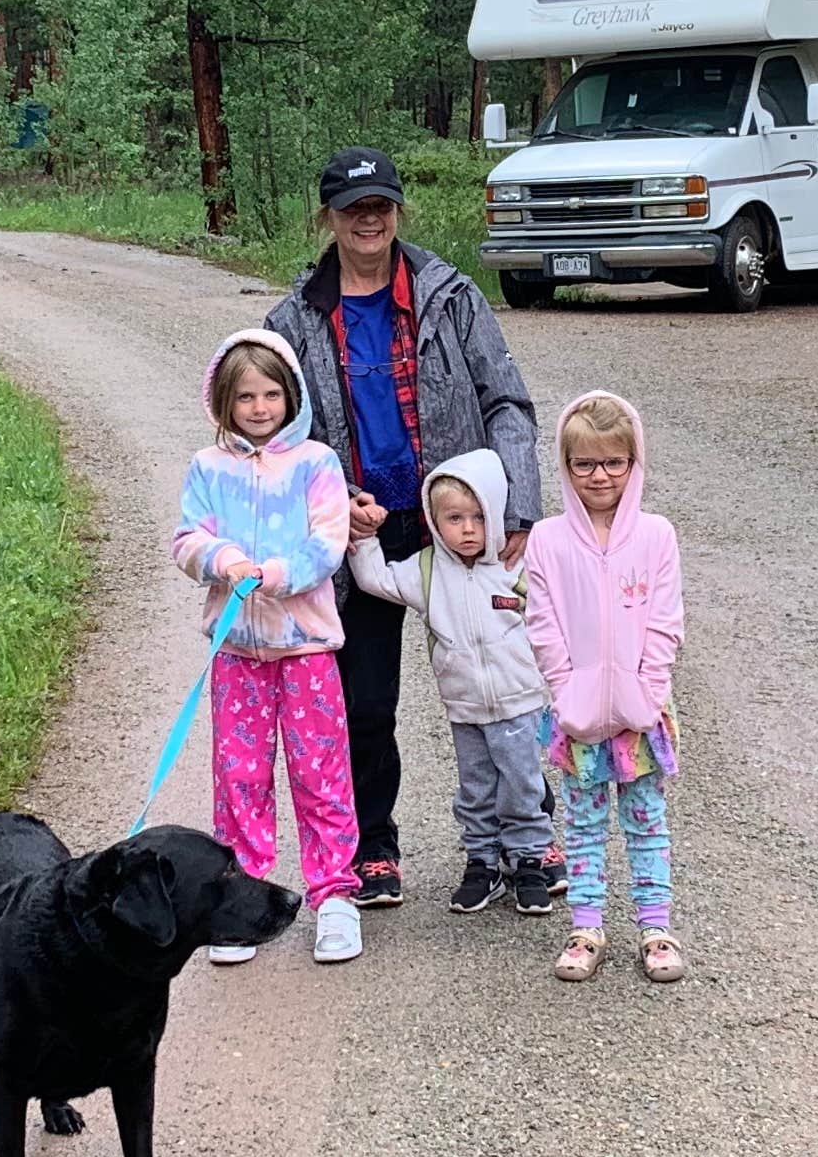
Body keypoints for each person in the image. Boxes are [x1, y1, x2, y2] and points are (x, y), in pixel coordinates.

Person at [266, 147, 542, 919]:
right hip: (362, 537)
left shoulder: (448, 297)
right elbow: (279, 444)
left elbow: (508, 403)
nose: (370, 219)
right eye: (354, 208)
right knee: (365, 704)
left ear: (398, 210)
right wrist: (330, 506)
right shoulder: (292, 322)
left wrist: (513, 507)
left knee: (507, 684)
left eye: (381, 204)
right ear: (328, 217)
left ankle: (529, 837)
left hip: (457, 526)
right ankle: (373, 847)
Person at [168, 328, 363, 965]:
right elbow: (186, 539)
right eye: (245, 396)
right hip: (237, 657)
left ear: (291, 396)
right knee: (240, 776)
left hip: (306, 649)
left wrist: (278, 574)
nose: (258, 407)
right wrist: (221, 559)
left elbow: (329, 542)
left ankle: (334, 894)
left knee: (320, 774)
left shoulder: (316, 463)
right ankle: (242, 902)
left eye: (271, 394)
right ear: (224, 402)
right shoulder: (208, 467)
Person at [344, 449, 564, 913]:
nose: (467, 529)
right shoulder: (427, 570)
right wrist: (363, 539)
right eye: (454, 518)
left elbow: (557, 616)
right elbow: (375, 581)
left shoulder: (513, 566)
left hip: (519, 703)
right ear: (434, 520)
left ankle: (528, 858)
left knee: (522, 783)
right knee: (475, 787)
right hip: (464, 707)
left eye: (478, 517)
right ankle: (482, 862)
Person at [522, 389, 684, 984]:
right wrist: (566, 693)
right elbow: (543, 623)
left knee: (646, 820)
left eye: (614, 462)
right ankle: (586, 925)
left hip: (641, 717)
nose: (600, 476)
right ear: (565, 467)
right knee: (584, 823)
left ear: (633, 463)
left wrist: (647, 690)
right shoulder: (547, 540)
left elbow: (666, 620)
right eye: (584, 463)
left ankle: (655, 926)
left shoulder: (656, 535)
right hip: (578, 716)